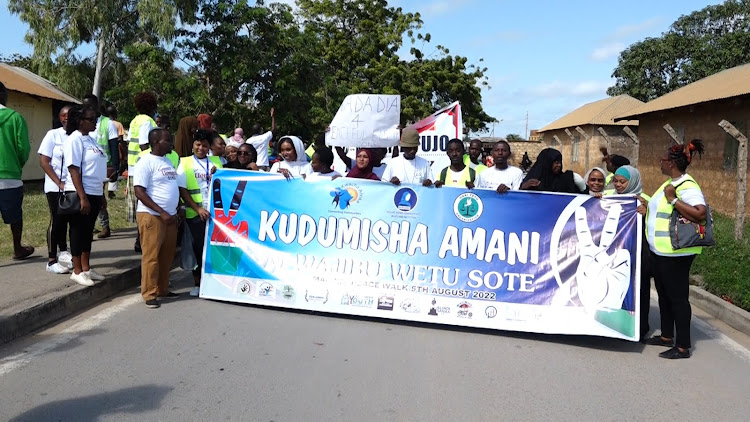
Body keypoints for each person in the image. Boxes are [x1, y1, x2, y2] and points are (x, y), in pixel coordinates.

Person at [639, 139, 706, 359]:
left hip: (677, 253)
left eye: (663, 160)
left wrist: (673, 199)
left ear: (672, 163)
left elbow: (699, 213)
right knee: (665, 296)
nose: (660, 162)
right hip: (661, 251)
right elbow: (664, 212)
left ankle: (683, 346)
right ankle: (666, 336)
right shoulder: (670, 182)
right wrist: (647, 208)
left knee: (677, 299)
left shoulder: (687, 186)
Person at [133, 128, 180, 308]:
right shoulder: (145, 162)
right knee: (151, 256)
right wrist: (161, 212)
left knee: (166, 256)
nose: (171, 143)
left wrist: (176, 208)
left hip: (170, 216)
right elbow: (139, 191)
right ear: (155, 142)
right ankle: (149, 293)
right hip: (152, 215)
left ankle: (162, 288)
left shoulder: (168, 161)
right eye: (167, 140)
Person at [63, 106, 108, 286]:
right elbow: (74, 169)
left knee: (88, 232)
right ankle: (77, 270)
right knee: (77, 230)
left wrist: (102, 195)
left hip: (95, 191)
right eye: (91, 119)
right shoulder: (74, 140)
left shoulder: (91, 139)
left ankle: (86, 268)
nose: (95, 121)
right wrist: (82, 197)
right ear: (81, 121)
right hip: (81, 191)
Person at [177, 129, 223, 297]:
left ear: (209, 147)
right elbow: (182, 189)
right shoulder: (185, 163)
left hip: (215, 215)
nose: (201, 148)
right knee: (196, 249)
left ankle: (213, 282)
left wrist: (218, 175)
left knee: (214, 249)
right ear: (193, 145)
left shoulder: (217, 162)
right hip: (195, 214)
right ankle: (197, 283)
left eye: (204, 145)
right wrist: (197, 209)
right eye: (198, 145)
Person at [608, 165, 651, 339]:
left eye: (622, 182)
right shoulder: (610, 197)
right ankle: (616, 322)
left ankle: (640, 327)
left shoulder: (644, 199)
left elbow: (656, 221)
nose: (618, 185)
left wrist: (647, 212)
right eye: (615, 181)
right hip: (616, 251)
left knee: (640, 287)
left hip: (639, 251)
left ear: (632, 181)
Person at [0, 82, 34, 260]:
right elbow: (23, 149)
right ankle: (17, 249)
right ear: (3, 96)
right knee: (15, 217)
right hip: (10, 177)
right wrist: (16, 164)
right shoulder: (15, 118)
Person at [38, 104, 73, 273]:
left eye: (70, 115)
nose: (67, 118)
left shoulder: (77, 136)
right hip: (55, 186)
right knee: (57, 221)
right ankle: (51, 261)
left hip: (73, 186)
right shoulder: (53, 135)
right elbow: (44, 161)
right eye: (63, 116)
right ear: (59, 118)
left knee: (68, 220)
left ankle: (64, 251)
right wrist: (59, 182)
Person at [82, 94, 118, 239]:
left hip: (103, 168)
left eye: (91, 105)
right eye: (85, 105)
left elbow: (114, 146)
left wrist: (115, 167)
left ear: (97, 105)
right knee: (86, 198)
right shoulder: (81, 123)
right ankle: (88, 228)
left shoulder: (107, 123)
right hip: (86, 168)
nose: (88, 108)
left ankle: (104, 226)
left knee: (98, 197)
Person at [127, 92, 158, 252]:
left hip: (133, 166)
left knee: (140, 205)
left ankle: (140, 238)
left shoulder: (135, 120)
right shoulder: (147, 121)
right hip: (143, 168)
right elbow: (144, 145)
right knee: (145, 205)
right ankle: (141, 240)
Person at [105, 105, 125, 200]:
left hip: (105, 150)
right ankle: (110, 192)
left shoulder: (104, 123)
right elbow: (120, 139)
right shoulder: (118, 124)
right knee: (115, 169)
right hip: (115, 149)